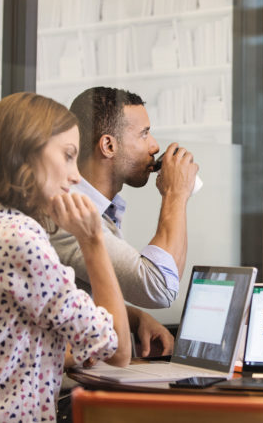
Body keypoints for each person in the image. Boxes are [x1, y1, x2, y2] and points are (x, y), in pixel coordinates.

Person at [0, 92, 131, 421]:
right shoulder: (20, 239)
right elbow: (117, 350)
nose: (76, 176)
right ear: (26, 155)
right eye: (68, 156)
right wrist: (93, 240)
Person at [50, 86, 199, 357]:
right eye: (144, 134)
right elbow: (159, 288)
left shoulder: (98, 209)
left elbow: (73, 299)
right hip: (63, 393)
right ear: (108, 145)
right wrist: (175, 195)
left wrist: (134, 317)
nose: (154, 146)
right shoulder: (69, 213)